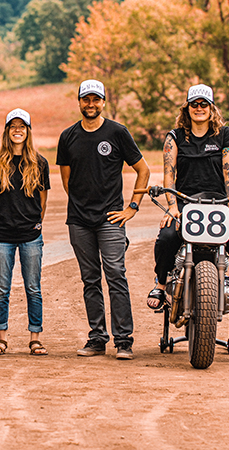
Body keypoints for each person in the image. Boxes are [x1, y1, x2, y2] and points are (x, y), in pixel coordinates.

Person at [56, 80, 150, 360]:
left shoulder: (117, 132)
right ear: (79, 102)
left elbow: (142, 170)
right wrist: (81, 205)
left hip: (111, 219)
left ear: (104, 102)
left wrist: (132, 207)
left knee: (116, 275)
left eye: (96, 99)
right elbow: (66, 179)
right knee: (90, 280)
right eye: (86, 99)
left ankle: (124, 341)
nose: (91, 104)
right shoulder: (68, 136)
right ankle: (97, 338)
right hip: (79, 221)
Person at [146, 84, 229, 311]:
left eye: (204, 104)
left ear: (211, 108)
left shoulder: (225, 135)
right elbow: (169, 173)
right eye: (194, 104)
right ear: (187, 108)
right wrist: (172, 207)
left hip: (219, 203)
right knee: (166, 237)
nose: (199, 108)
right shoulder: (174, 137)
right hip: (184, 201)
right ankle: (161, 283)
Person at [0, 109, 50, 356]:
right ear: (6, 131)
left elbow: (42, 201)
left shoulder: (39, 163)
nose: (17, 130)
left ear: (28, 131)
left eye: (22, 126)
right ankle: (1, 338)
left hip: (31, 235)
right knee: (2, 288)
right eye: (12, 126)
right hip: (2, 235)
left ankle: (35, 337)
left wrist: (34, 222)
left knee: (33, 288)